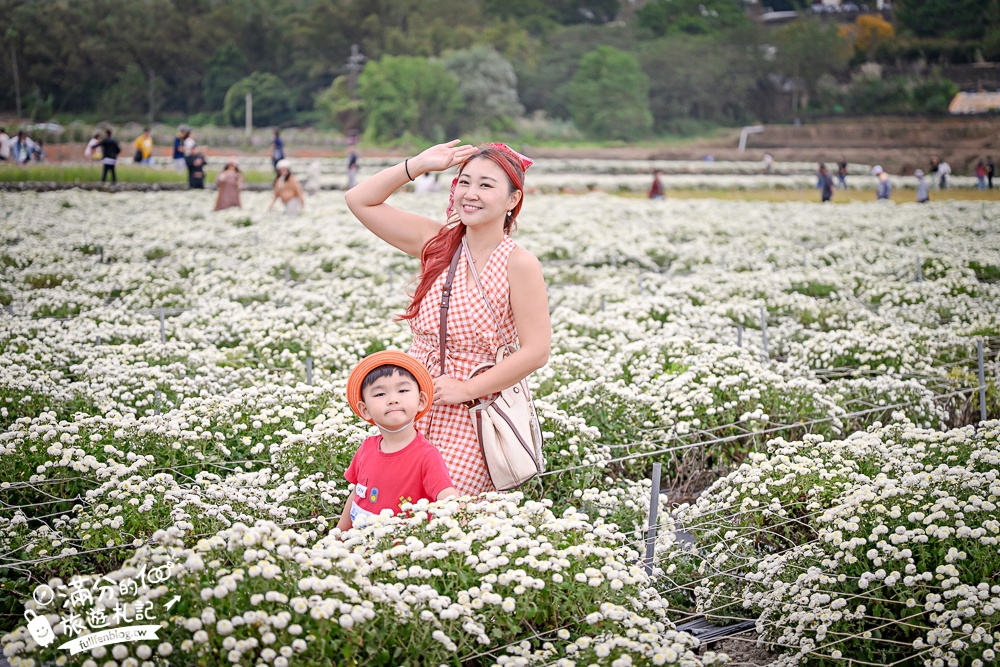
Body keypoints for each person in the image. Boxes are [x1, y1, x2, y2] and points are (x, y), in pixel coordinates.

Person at [345, 140, 551, 496]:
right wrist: (420, 164)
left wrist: (467, 389)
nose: (470, 194)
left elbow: (537, 351)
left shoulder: (519, 263)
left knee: (444, 516)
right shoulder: (437, 242)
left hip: (474, 411)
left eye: (486, 185)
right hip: (414, 404)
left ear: (512, 200)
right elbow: (359, 200)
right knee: (391, 506)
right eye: (464, 182)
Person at [336, 351, 459, 531]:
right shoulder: (367, 447)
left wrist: (462, 519)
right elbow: (357, 492)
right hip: (358, 548)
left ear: (421, 401)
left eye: (403, 390)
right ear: (365, 410)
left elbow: (446, 495)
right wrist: (338, 534)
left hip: (401, 551)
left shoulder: (426, 456)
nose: (393, 399)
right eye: (379, 394)